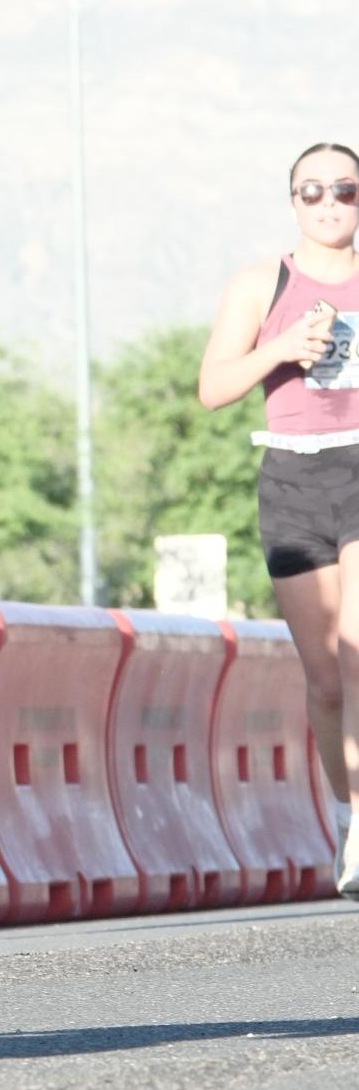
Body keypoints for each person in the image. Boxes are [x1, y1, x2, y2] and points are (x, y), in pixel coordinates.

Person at [196, 139, 359, 896]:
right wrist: (283, 349)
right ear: (293, 202)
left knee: (357, 654)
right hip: (293, 476)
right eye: (312, 191)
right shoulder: (263, 283)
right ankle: (348, 813)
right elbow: (213, 388)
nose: (329, 204)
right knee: (325, 679)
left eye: (344, 190)